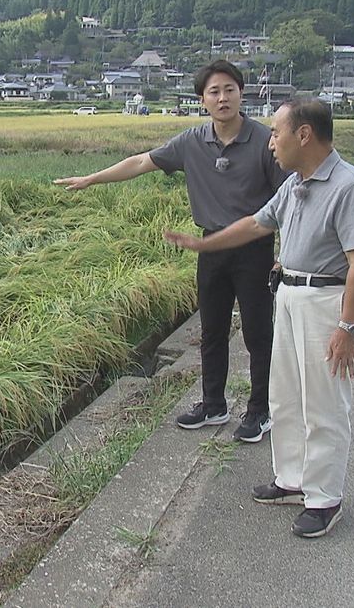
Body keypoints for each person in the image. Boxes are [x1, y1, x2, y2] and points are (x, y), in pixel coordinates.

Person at [164, 98, 354, 538]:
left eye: (277, 133)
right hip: (290, 295)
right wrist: (205, 244)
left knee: (323, 404)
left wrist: (347, 328)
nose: (271, 143)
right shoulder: (295, 184)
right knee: (285, 396)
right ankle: (292, 479)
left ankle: (324, 498)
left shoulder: (348, 186)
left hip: (324, 301)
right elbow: (257, 223)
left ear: (304, 135)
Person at [54, 60, 287, 442]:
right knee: (211, 331)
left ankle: (259, 411)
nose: (223, 97)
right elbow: (143, 161)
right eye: (214, 91)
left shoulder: (265, 141)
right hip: (210, 247)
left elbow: (289, 200)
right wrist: (92, 178)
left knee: (257, 333)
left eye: (230, 89)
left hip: (254, 248)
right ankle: (213, 403)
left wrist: (284, 251)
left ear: (241, 94)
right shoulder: (191, 142)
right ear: (202, 100)